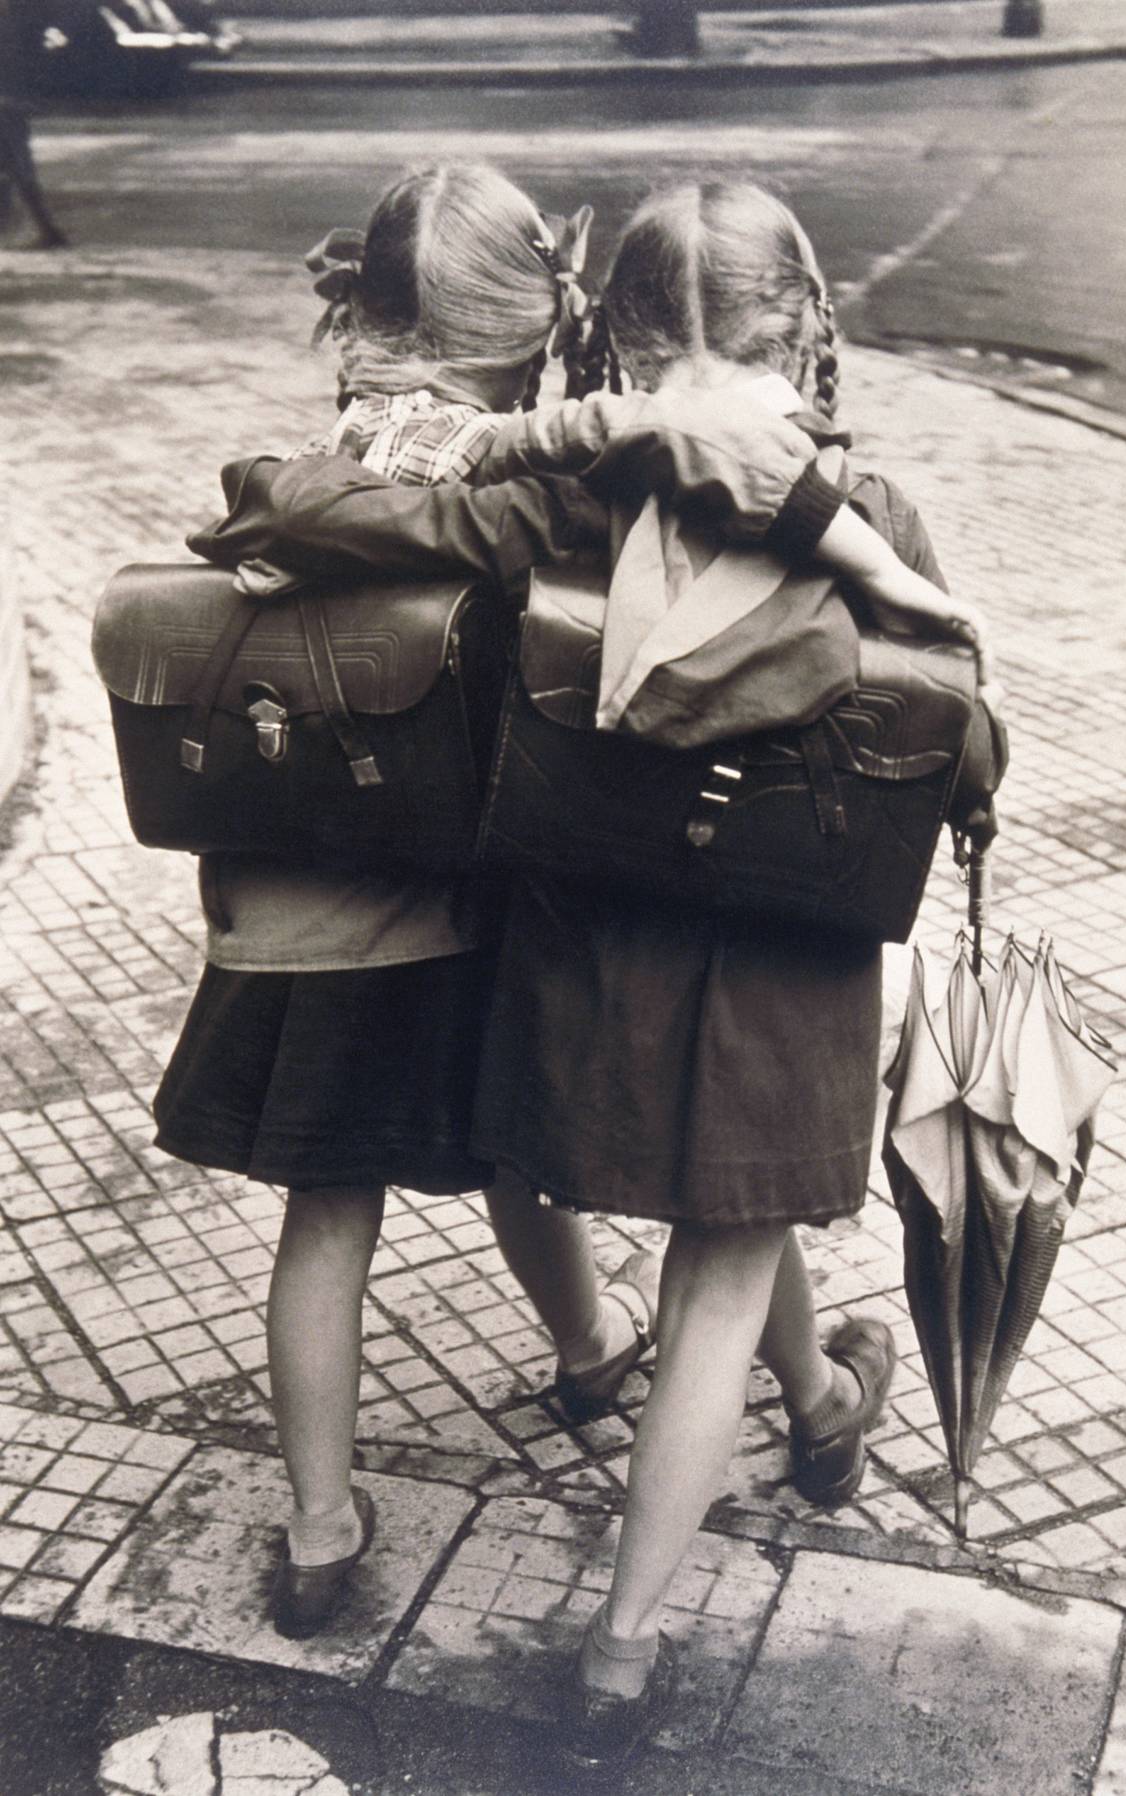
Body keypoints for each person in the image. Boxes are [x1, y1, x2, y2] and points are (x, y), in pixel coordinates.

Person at [183, 172, 993, 1701]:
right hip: (795, 969)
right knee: (725, 1262)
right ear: (802, 326)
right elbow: (959, 748)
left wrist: (287, 489)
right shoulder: (870, 511)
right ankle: (625, 1646)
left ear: (610, 336)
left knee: (692, 1237)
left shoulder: (575, 496)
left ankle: (787, 1403)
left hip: (606, 947)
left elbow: (364, 514)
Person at [0, 0, 68, 250]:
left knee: (17, 167)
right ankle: (38, 228)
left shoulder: (9, 27)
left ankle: (45, 229)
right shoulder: (13, 24)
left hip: (6, 104)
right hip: (10, 102)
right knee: (13, 166)